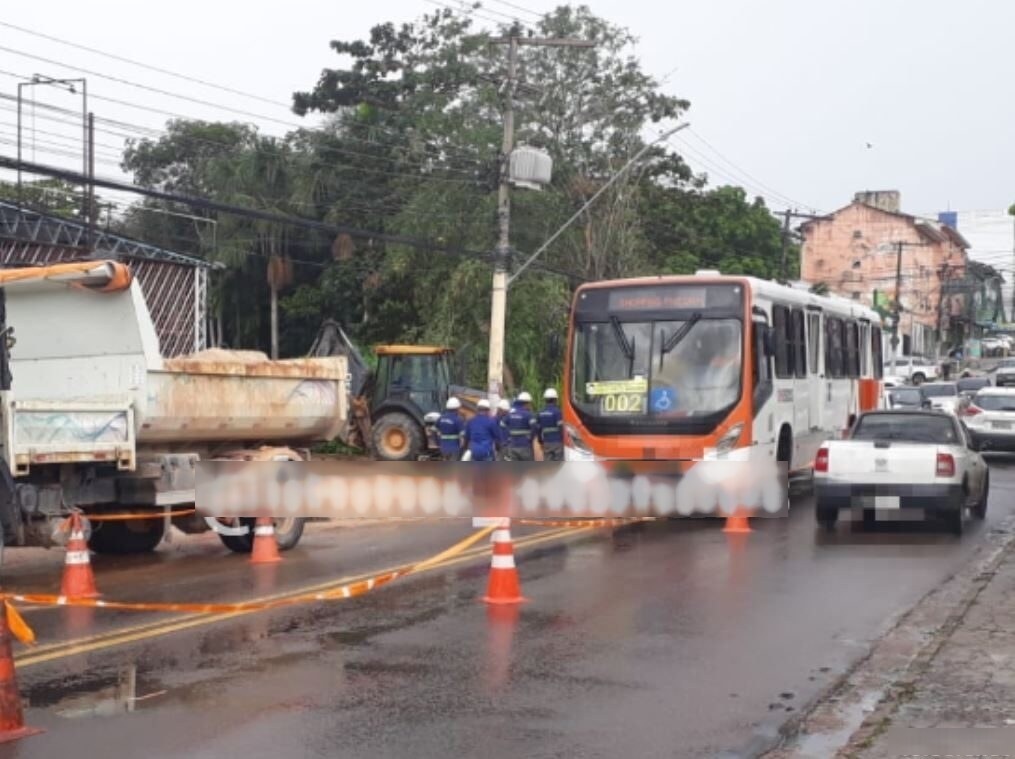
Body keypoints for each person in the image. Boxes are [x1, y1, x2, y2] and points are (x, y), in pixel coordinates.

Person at [501, 391, 538, 461]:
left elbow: (502, 425)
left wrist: (507, 438)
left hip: (513, 446)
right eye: (530, 403)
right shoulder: (528, 414)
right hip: (525, 446)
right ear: (526, 403)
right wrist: (530, 438)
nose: (530, 406)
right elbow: (534, 428)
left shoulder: (510, 414)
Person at [537, 388, 564, 461]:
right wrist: (564, 439)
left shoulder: (540, 413)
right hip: (557, 442)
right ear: (555, 400)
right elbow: (561, 427)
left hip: (546, 442)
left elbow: (538, 429)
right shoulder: (557, 412)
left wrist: (540, 441)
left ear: (545, 399)